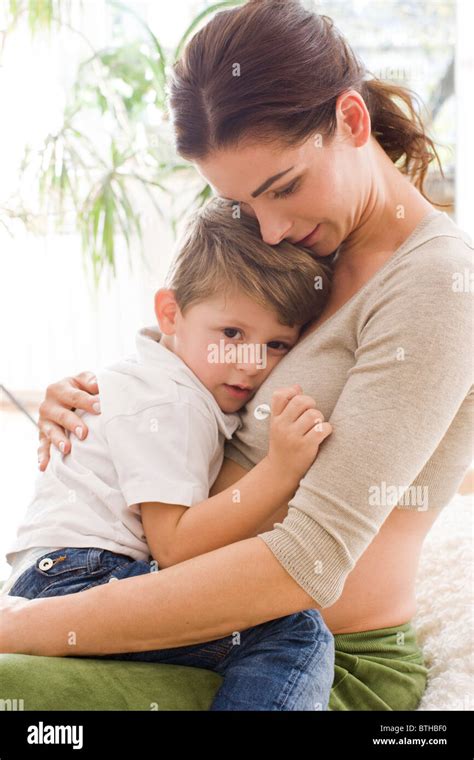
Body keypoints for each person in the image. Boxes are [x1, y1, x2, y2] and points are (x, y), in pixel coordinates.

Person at [2, 0, 472, 711]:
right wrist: (107, 399)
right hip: (189, 619)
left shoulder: (437, 282)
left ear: (350, 121)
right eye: (246, 205)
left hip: (311, 662)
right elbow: (193, 353)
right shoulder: (306, 247)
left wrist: (32, 626)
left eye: (284, 187)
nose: (273, 228)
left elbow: (307, 562)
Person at [2, 198, 335, 711]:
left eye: (276, 345)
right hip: (74, 579)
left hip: (58, 573)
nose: (249, 363)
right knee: (293, 630)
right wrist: (281, 470)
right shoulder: (172, 400)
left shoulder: (160, 377)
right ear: (170, 313)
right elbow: (175, 547)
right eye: (231, 334)